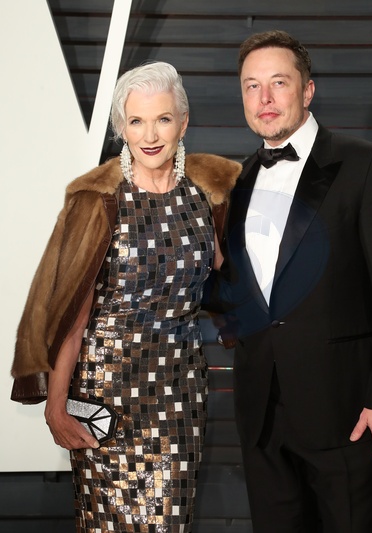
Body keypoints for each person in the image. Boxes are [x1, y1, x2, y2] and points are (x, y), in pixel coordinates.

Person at [10, 62, 241, 532]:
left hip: (178, 394)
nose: (150, 135)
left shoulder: (208, 195)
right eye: (136, 121)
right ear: (122, 128)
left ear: (183, 123)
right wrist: (56, 405)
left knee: (169, 523)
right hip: (106, 394)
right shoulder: (97, 199)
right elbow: (73, 315)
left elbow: (237, 280)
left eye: (162, 119)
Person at [214, 30, 372, 532]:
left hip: (348, 415)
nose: (264, 98)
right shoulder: (236, 182)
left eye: (278, 83)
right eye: (251, 86)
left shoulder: (366, 163)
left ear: (307, 90)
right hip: (262, 417)